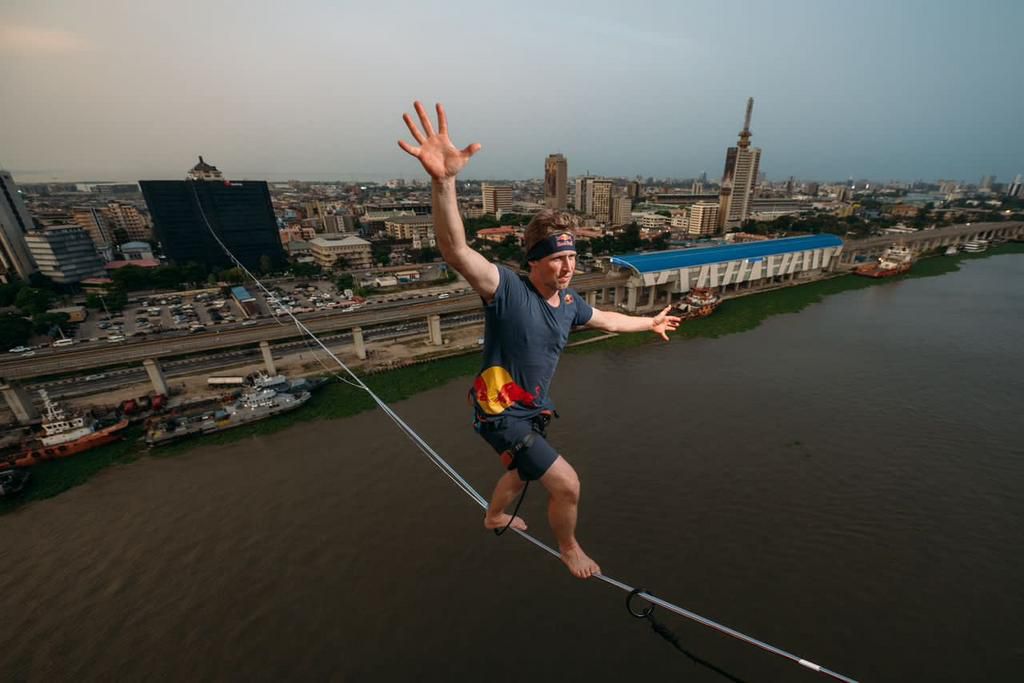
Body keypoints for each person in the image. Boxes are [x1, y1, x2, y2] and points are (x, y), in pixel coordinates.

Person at [398, 101, 681, 579]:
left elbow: (610, 320)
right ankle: (570, 548)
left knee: (521, 472)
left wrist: (649, 323)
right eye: (556, 259)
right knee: (567, 484)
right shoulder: (506, 290)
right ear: (533, 260)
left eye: (572, 257)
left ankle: (493, 516)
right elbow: (456, 250)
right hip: (500, 411)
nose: (568, 267)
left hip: (530, 408)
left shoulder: (569, 306)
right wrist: (443, 183)